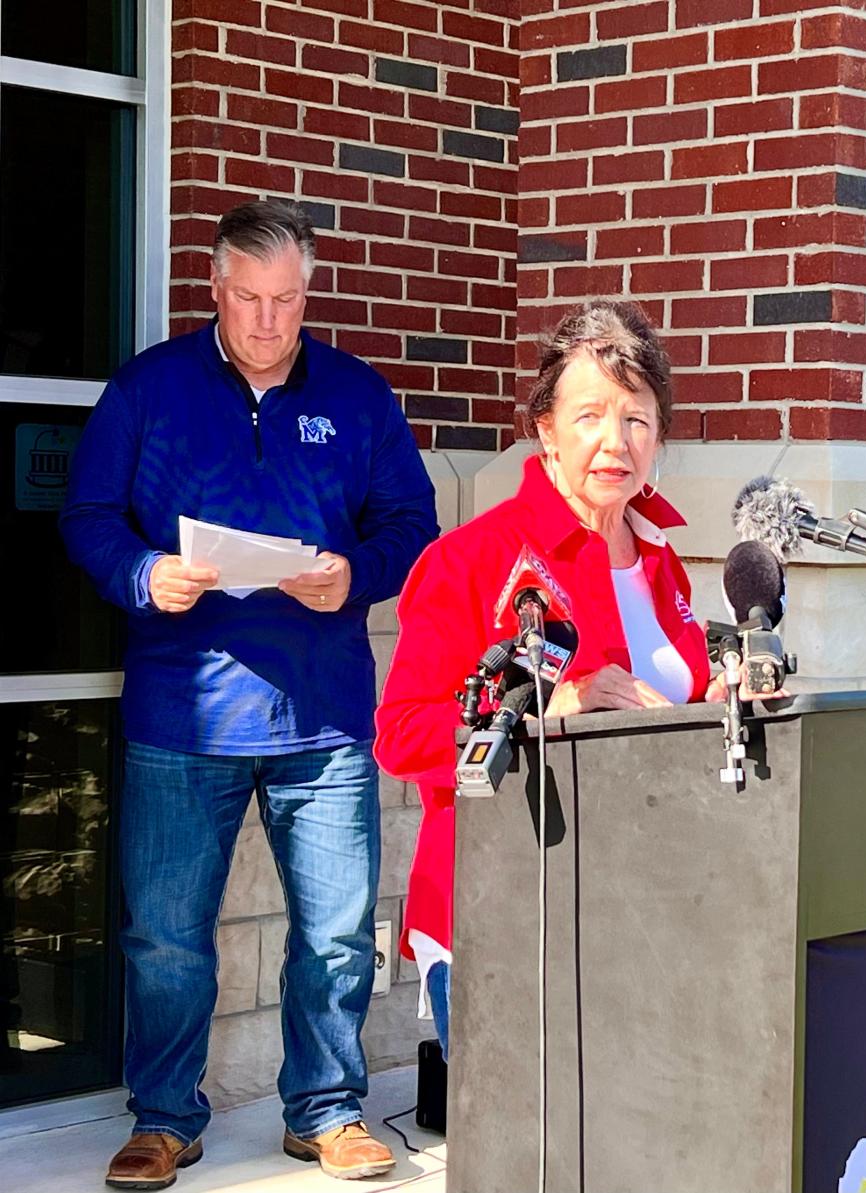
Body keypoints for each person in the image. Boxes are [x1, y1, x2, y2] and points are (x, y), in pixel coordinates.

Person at [60, 200, 439, 1188]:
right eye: (250, 298)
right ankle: (165, 1118)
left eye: (288, 299)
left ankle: (327, 1110)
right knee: (166, 937)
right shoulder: (149, 389)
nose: (270, 320)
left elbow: (410, 519)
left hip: (324, 718)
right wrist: (146, 575)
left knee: (338, 932)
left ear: (307, 292)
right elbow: (90, 513)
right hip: (183, 713)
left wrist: (349, 574)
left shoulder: (358, 395)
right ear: (216, 288)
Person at [374, 299, 742, 1058]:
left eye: (637, 419)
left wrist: (724, 696)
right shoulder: (469, 561)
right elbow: (403, 733)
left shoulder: (661, 561)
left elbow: (669, 698)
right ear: (544, 427)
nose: (617, 442)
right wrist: (543, 710)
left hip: (644, 908)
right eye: (591, 416)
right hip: (506, 911)